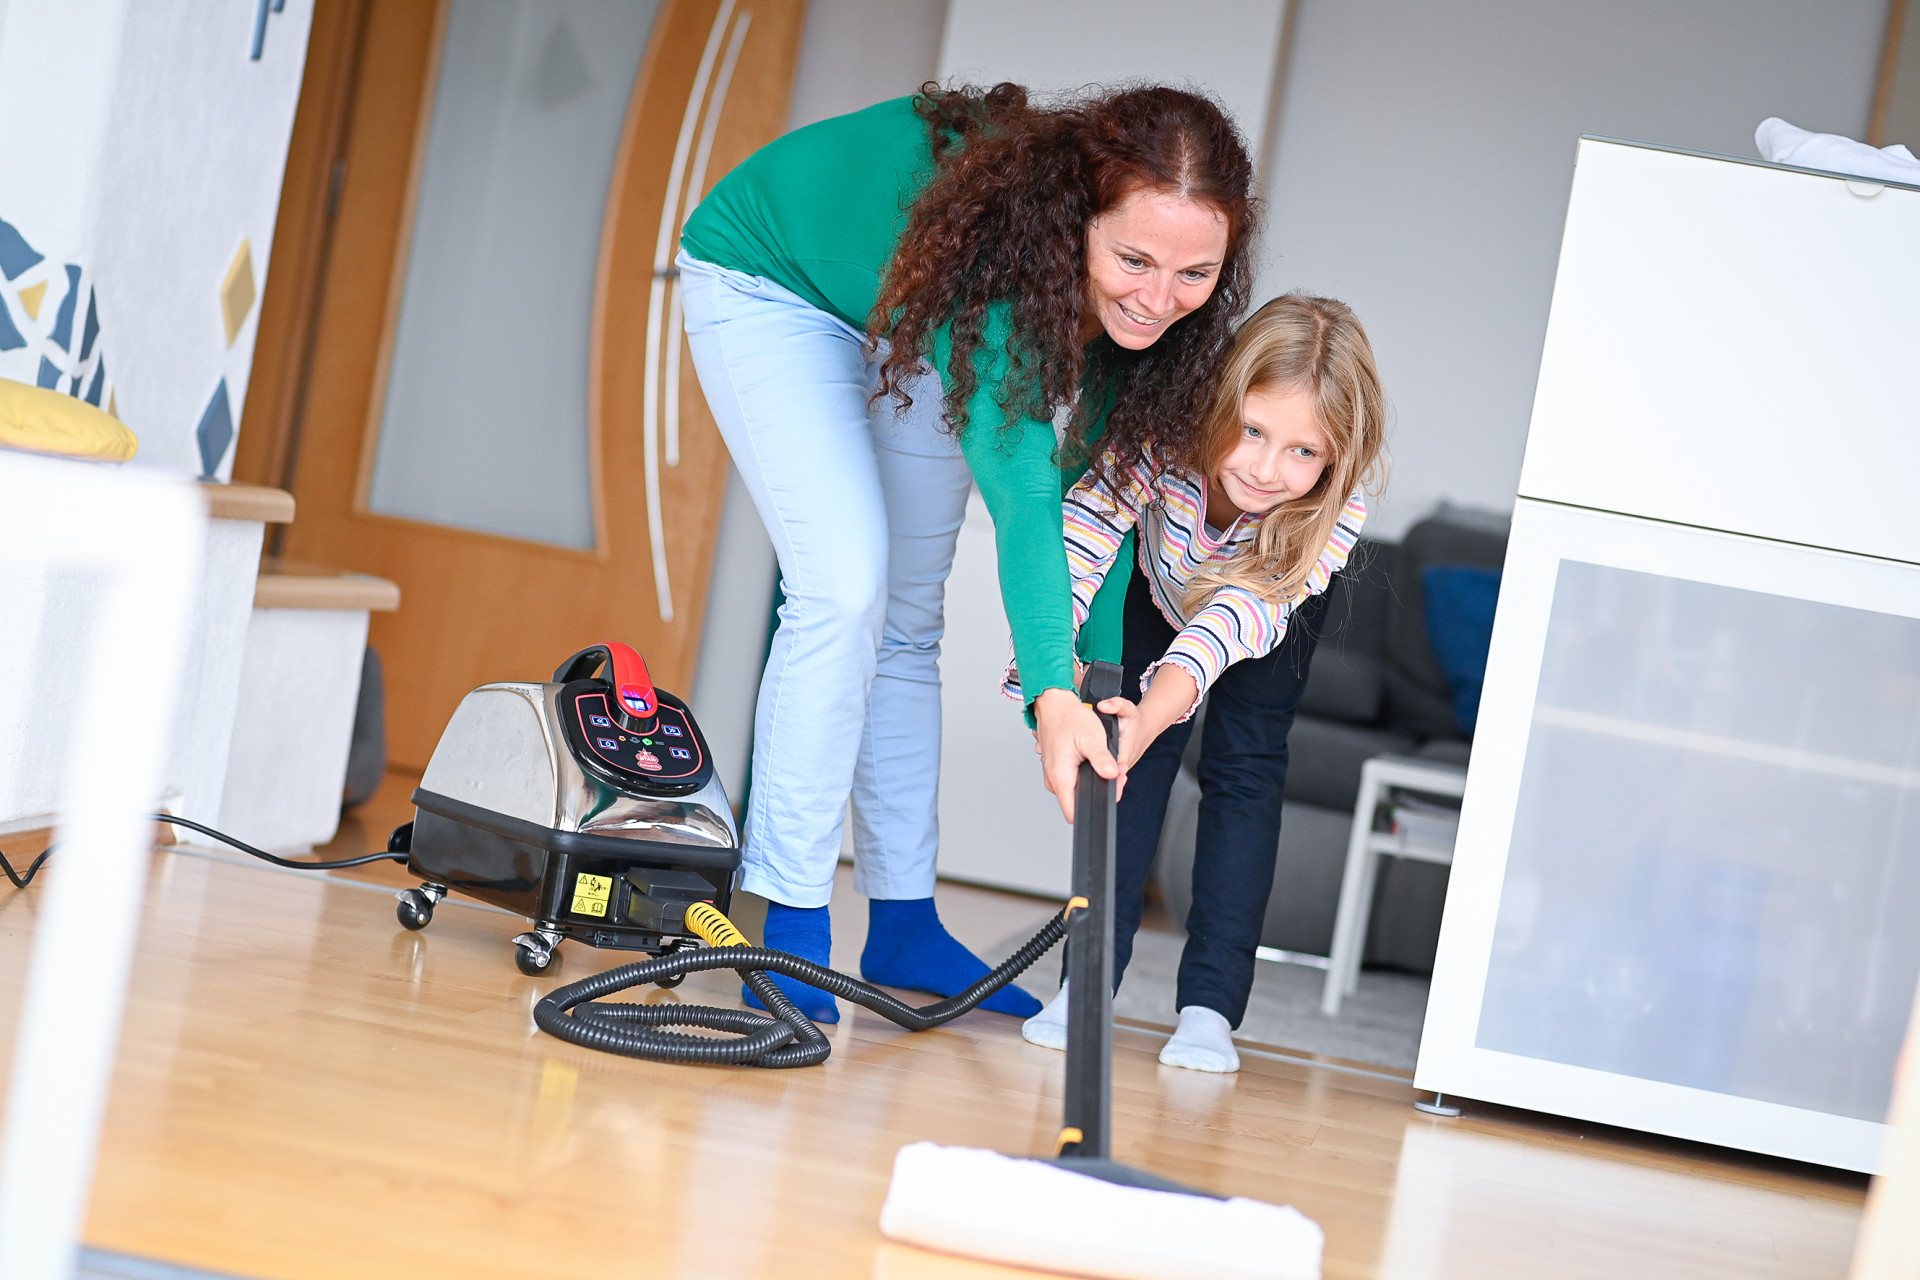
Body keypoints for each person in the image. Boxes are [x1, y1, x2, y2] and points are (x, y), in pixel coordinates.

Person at [675, 84, 1260, 1021]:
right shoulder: (1002, 274)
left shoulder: (1141, 328)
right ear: (1078, 223)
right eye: (1134, 259)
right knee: (843, 586)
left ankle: (903, 925)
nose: (1158, 300)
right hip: (771, 279)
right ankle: (785, 922)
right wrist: (1051, 696)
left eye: (1194, 275)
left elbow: (1095, 498)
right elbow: (1025, 494)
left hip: (898, 301)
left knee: (908, 616)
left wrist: (1101, 673)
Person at [1015, 294, 1385, 1070]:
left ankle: (1211, 1008)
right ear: (1221, 400)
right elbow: (1083, 537)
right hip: (1158, 577)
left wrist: (1158, 709)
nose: (1264, 469)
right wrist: (1052, 672)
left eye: (1302, 452)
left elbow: (1232, 623)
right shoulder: (1162, 422)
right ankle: (1083, 989)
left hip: (1263, 601)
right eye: (1253, 431)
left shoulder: (1333, 510)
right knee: (1131, 760)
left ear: (1335, 462)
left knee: (1244, 770)